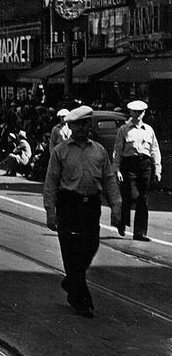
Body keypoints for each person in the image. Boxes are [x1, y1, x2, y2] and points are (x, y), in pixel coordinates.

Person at [43, 105, 121, 317]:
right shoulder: (61, 151)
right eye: (76, 125)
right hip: (69, 204)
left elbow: (109, 179)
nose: (80, 128)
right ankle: (80, 300)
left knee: (91, 245)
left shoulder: (99, 151)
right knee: (71, 253)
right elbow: (51, 182)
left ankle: (71, 282)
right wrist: (50, 211)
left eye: (84, 124)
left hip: (91, 206)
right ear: (70, 126)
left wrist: (116, 205)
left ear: (89, 126)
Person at [113, 100, 162, 242]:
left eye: (140, 112)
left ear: (144, 113)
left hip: (145, 165)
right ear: (130, 112)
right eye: (135, 112)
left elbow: (154, 149)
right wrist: (116, 169)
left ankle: (139, 232)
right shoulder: (124, 130)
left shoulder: (149, 130)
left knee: (143, 198)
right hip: (129, 164)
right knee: (131, 195)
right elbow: (117, 150)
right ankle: (121, 221)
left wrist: (157, 169)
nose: (138, 114)